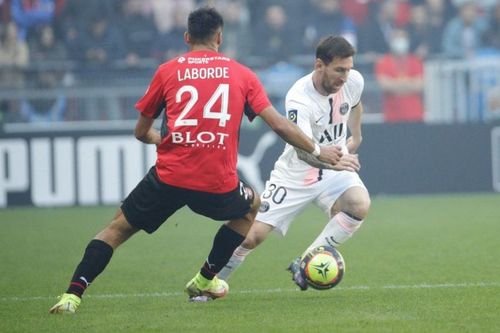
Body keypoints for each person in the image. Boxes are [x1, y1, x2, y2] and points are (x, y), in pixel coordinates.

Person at [49, 7, 344, 314]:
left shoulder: (167, 71)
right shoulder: (242, 74)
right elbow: (280, 126)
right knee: (251, 208)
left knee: (115, 231)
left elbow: (140, 131)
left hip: (169, 178)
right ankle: (205, 278)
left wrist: (156, 138)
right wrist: (319, 151)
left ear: (187, 37)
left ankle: (72, 296)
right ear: (220, 37)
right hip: (217, 182)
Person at [217, 35, 370, 291]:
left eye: (348, 69)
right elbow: (303, 151)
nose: (345, 77)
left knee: (359, 203)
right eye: (339, 70)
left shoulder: (354, 81)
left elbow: (355, 104)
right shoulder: (299, 98)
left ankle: (305, 261)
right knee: (252, 237)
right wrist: (333, 162)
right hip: (297, 173)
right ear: (319, 65)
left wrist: (357, 136)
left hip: (335, 163)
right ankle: (210, 282)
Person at [375, 28, 424, 122]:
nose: (400, 40)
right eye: (396, 37)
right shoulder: (383, 62)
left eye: (402, 37)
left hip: (415, 117)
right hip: (392, 118)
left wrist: (395, 84)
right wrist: (409, 84)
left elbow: (419, 86)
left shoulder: (416, 62)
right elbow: (385, 86)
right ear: (390, 41)